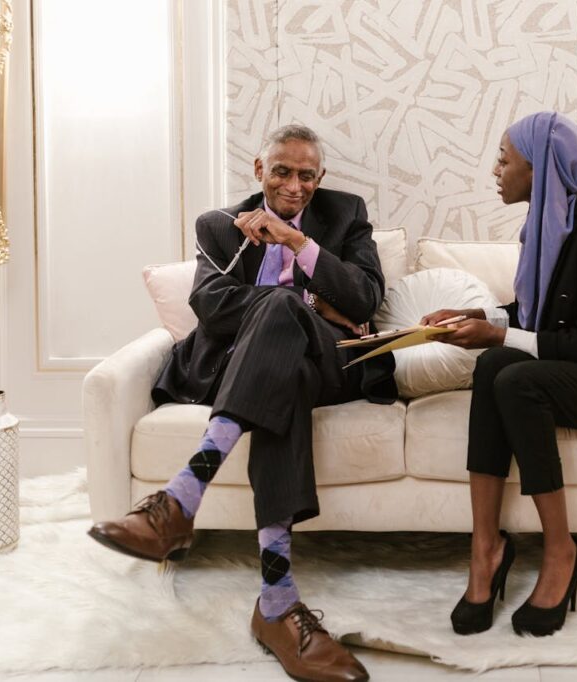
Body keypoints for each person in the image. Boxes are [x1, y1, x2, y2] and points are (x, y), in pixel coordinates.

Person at [88, 124, 396, 682]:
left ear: (320, 178)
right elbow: (211, 307)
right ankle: (276, 602)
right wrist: (306, 303)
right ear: (259, 170)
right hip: (248, 364)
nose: (295, 185)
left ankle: (182, 499)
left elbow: (364, 298)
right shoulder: (220, 226)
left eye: (307, 175)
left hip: (336, 361)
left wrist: (297, 244)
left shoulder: (347, 215)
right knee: (286, 359)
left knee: (285, 320)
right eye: (282, 171)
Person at [421, 112, 577, 637]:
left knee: (515, 376)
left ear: (540, 167)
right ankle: (485, 547)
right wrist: (480, 321)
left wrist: (497, 335)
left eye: (505, 159)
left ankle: (562, 550)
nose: (496, 169)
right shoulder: (552, 222)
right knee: (493, 365)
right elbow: (539, 314)